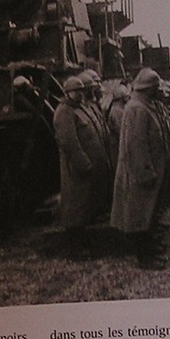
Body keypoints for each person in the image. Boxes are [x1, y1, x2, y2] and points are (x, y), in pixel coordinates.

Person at [110, 67, 170, 269]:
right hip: (140, 173)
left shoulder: (142, 105)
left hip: (146, 171)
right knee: (139, 217)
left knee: (147, 214)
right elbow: (137, 145)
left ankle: (149, 249)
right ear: (149, 88)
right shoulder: (137, 109)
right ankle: (145, 257)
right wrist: (145, 172)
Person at [51, 74, 113, 255]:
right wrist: (84, 164)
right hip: (76, 170)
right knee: (75, 207)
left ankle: (83, 243)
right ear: (67, 93)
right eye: (75, 91)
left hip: (86, 169)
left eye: (80, 91)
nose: (80, 94)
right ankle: (74, 247)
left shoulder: (79, 108)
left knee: (85, 206)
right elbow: (70, 143)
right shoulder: (64, 112)